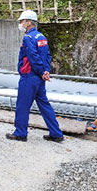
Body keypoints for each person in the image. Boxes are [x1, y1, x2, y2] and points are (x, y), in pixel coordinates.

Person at [6, 10, 64, 143]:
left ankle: (20, 133)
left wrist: (41, 72)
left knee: (22, 105)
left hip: (29, 76)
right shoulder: (41, 37)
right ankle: (56, 133)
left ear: (29, 22)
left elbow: (32, 57)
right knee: (44, 105)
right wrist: (45, 71)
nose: (20, 24)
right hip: (39, 77)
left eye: (22, 21)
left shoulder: (28, 38)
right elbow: (47, 56)